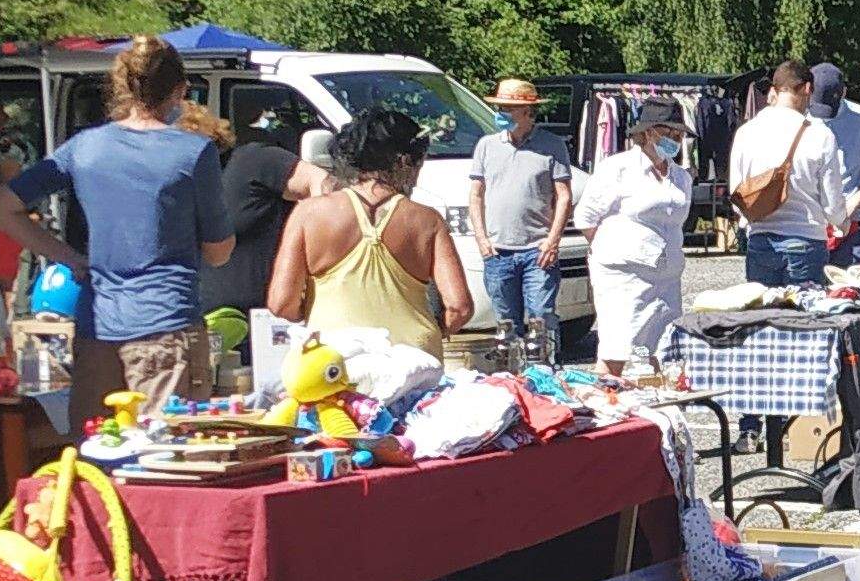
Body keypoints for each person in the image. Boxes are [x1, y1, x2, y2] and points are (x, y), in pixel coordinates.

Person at [0, 35, 233, 422]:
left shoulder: (84, 148)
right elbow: (218, 251)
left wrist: (67, 257)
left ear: (120, 86)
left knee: (95, 454)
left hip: (97, 328)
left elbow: (1, 206)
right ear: (181, 90)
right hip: (166, 326)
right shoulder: (193, 152)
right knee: (165, 458)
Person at [269, 107, 469, 358]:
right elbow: (459, 307)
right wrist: (436, 330)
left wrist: (319, 311)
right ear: (404, 161)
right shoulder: (428, 221)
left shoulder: (308, 214)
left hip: (335, 363)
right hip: (414, 361)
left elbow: (281, 303)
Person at [566, 101, 692, 373]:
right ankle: (604, 405)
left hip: (667, 276)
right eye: (668, 132)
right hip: (623, 275)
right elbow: (586, 217)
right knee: (617, 348)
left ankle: (657, 408)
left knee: (663, 347)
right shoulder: (617, 168)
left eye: (679, 134)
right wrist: (614, 247)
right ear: (648, 133)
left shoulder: (681, 177)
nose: (675, 139)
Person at [469, 78, 574, 356]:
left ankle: (545, 373)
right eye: (500, 107)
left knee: (541, 317)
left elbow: (563, 195)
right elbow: (476, 194)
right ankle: (511, 377)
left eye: (508, 108)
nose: (500, 114)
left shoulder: (552, 146)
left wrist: (552, 241)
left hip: (537, 250)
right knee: (505, 323)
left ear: (528, 112)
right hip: (497, 250)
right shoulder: (486, 146)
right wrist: (481, 239)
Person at [202, 106, 324, 319]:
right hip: (187, 325)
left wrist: (305, 233)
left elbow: (321, 184)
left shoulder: (253, 160)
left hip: (262, 323)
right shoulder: (167, 185)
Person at [728, 60, 840, 287]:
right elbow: (831, 205)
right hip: (806, 240)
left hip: (760, 241)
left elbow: (736, 196)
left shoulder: (745, 132)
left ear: (776, 89)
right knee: (803, 320)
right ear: (807, 89)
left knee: (763, 318)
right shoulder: (820, 134)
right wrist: (841, 221)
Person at [808, 62, 860, 268]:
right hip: (810, 227)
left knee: (853, 294)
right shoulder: (800, 118)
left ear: (843, 92)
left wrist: (856, 200)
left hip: (852, 228)